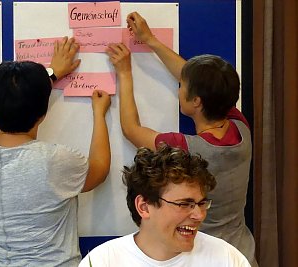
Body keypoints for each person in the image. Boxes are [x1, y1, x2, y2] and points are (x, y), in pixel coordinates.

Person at [105, 12, 257, 266]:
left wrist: (124, 72)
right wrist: (150, 40)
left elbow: (131, 129)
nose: (179, 88)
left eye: (182, 87)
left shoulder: (188, 149)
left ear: (196, 101)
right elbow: (197, 80)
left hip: (204, 257)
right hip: (243, 254)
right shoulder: (241, 127)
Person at [0, 37, 111, 266]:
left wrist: (51, 74)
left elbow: (4, 106)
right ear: (43, 115)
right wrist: (99, 115)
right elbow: (99, 170)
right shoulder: (53, 161)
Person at [79, 144, 251, 267]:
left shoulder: (227, 259)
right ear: (144, 207)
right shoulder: (102, 261)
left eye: (201, 203)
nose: (199, 215)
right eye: (185, 204)